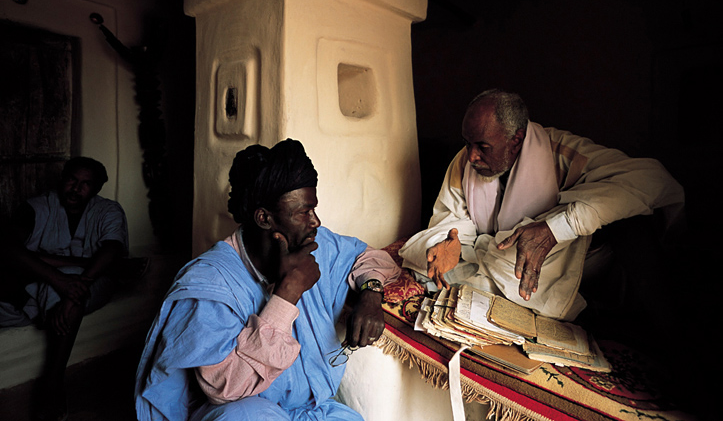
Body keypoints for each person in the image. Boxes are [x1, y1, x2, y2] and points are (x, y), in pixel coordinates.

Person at [135, 139, 400, 421]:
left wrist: (371, 294)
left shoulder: (315, 244)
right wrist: (287, 294)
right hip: (244, 412)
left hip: (312, 412)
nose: (316, 222)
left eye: (314, 209)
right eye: (303, 212)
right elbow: (223, 388)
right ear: (264, 218)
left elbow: (373, 258)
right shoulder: (211, 280)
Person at [399, 89, 684, 321]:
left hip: (575, 265)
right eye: (467, 143)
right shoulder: (465, 160)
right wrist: (451, 241)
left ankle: (671, 333)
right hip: (498, 261)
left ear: (516, 140)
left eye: (482, 146)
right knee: (427, 263)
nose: (471, 156)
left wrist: (555, 228)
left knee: (632, 225)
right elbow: (451, 216)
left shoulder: (562, 152)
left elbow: (653, 179)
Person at [0, 156, 129, 421]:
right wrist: (57, 277)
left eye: (85, 184)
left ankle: (52, 383)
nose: (76, 188)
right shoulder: (36, 207)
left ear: (95, 189)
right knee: (48, 282)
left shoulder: (108, 211)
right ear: (62, 179)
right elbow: (7, 248)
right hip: (40, 283)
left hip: (90, 284)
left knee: (68, 281)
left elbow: (112, 252)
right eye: (72, 180)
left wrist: (71, 284)